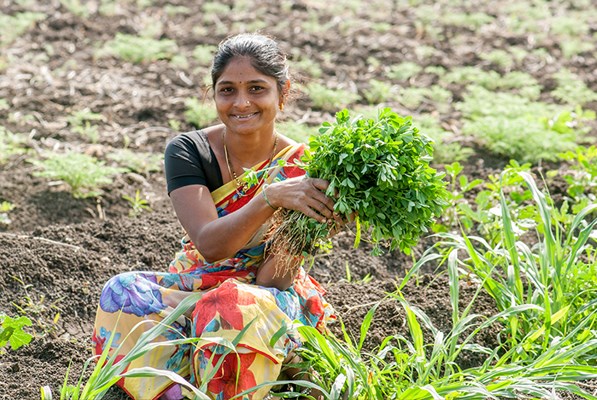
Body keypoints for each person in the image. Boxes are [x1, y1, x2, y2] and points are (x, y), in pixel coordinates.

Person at [92, 32, 338, 400]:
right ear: (214, 93)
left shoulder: (303, 168)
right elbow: (209, 244)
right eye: (227, 90)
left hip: (262, 298)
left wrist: (310, 226)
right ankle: (177, 392)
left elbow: (275, 281)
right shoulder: (188, 151)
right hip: (195, 282)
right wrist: (269, 199)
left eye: (257, 88)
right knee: (122, 292)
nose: (241, 103)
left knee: (231, 304)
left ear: (282, 93)